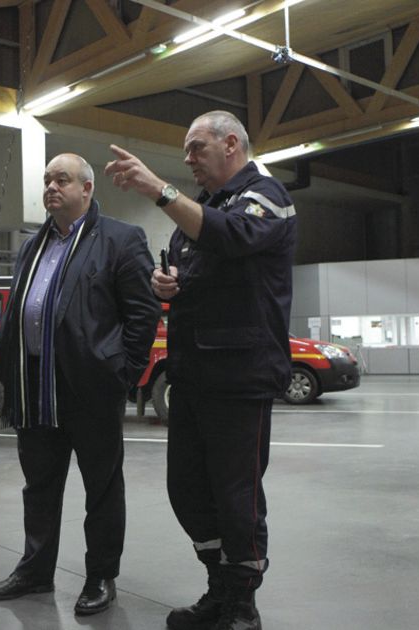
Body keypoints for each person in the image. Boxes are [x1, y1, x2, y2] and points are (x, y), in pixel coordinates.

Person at [104, 110, 297, 630]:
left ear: (230, 144)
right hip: (192, 373)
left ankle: (242, 604)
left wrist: (158, 190)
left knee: (237, 495)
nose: (188, 161)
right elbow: (202, 261)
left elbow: (232, 237)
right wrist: (169, 284)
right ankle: (217, 585)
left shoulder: (267, 195)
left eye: (196, 149)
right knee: (187, 489)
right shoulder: (204, 208)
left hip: (239, 376)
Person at [0, 153, 160, 616]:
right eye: (46, 180)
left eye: (61, 179)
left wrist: (122, 373)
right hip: (34, 383)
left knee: (101, 487)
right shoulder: (33, 245)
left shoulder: (121, 239)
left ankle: (101, 576)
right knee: (38, 485)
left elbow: (143, 314)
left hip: (91, 386)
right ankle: (35, 569)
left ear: (87, 189)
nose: (51, 187)